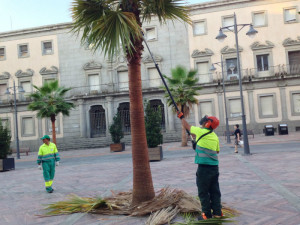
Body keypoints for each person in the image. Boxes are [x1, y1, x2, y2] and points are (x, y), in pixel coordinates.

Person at [178, 113, 222, 220]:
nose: (204, 120)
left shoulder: (200, 131)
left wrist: (181, 117)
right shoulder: (214, 136)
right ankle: (217, 212)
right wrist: (198, 142)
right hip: (214, 168)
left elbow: (187, 126)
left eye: (206, 120)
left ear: (207, 124)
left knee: (203, 191)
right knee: (214, 190)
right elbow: (217, 151)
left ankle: (206, 215)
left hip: (204, 169)